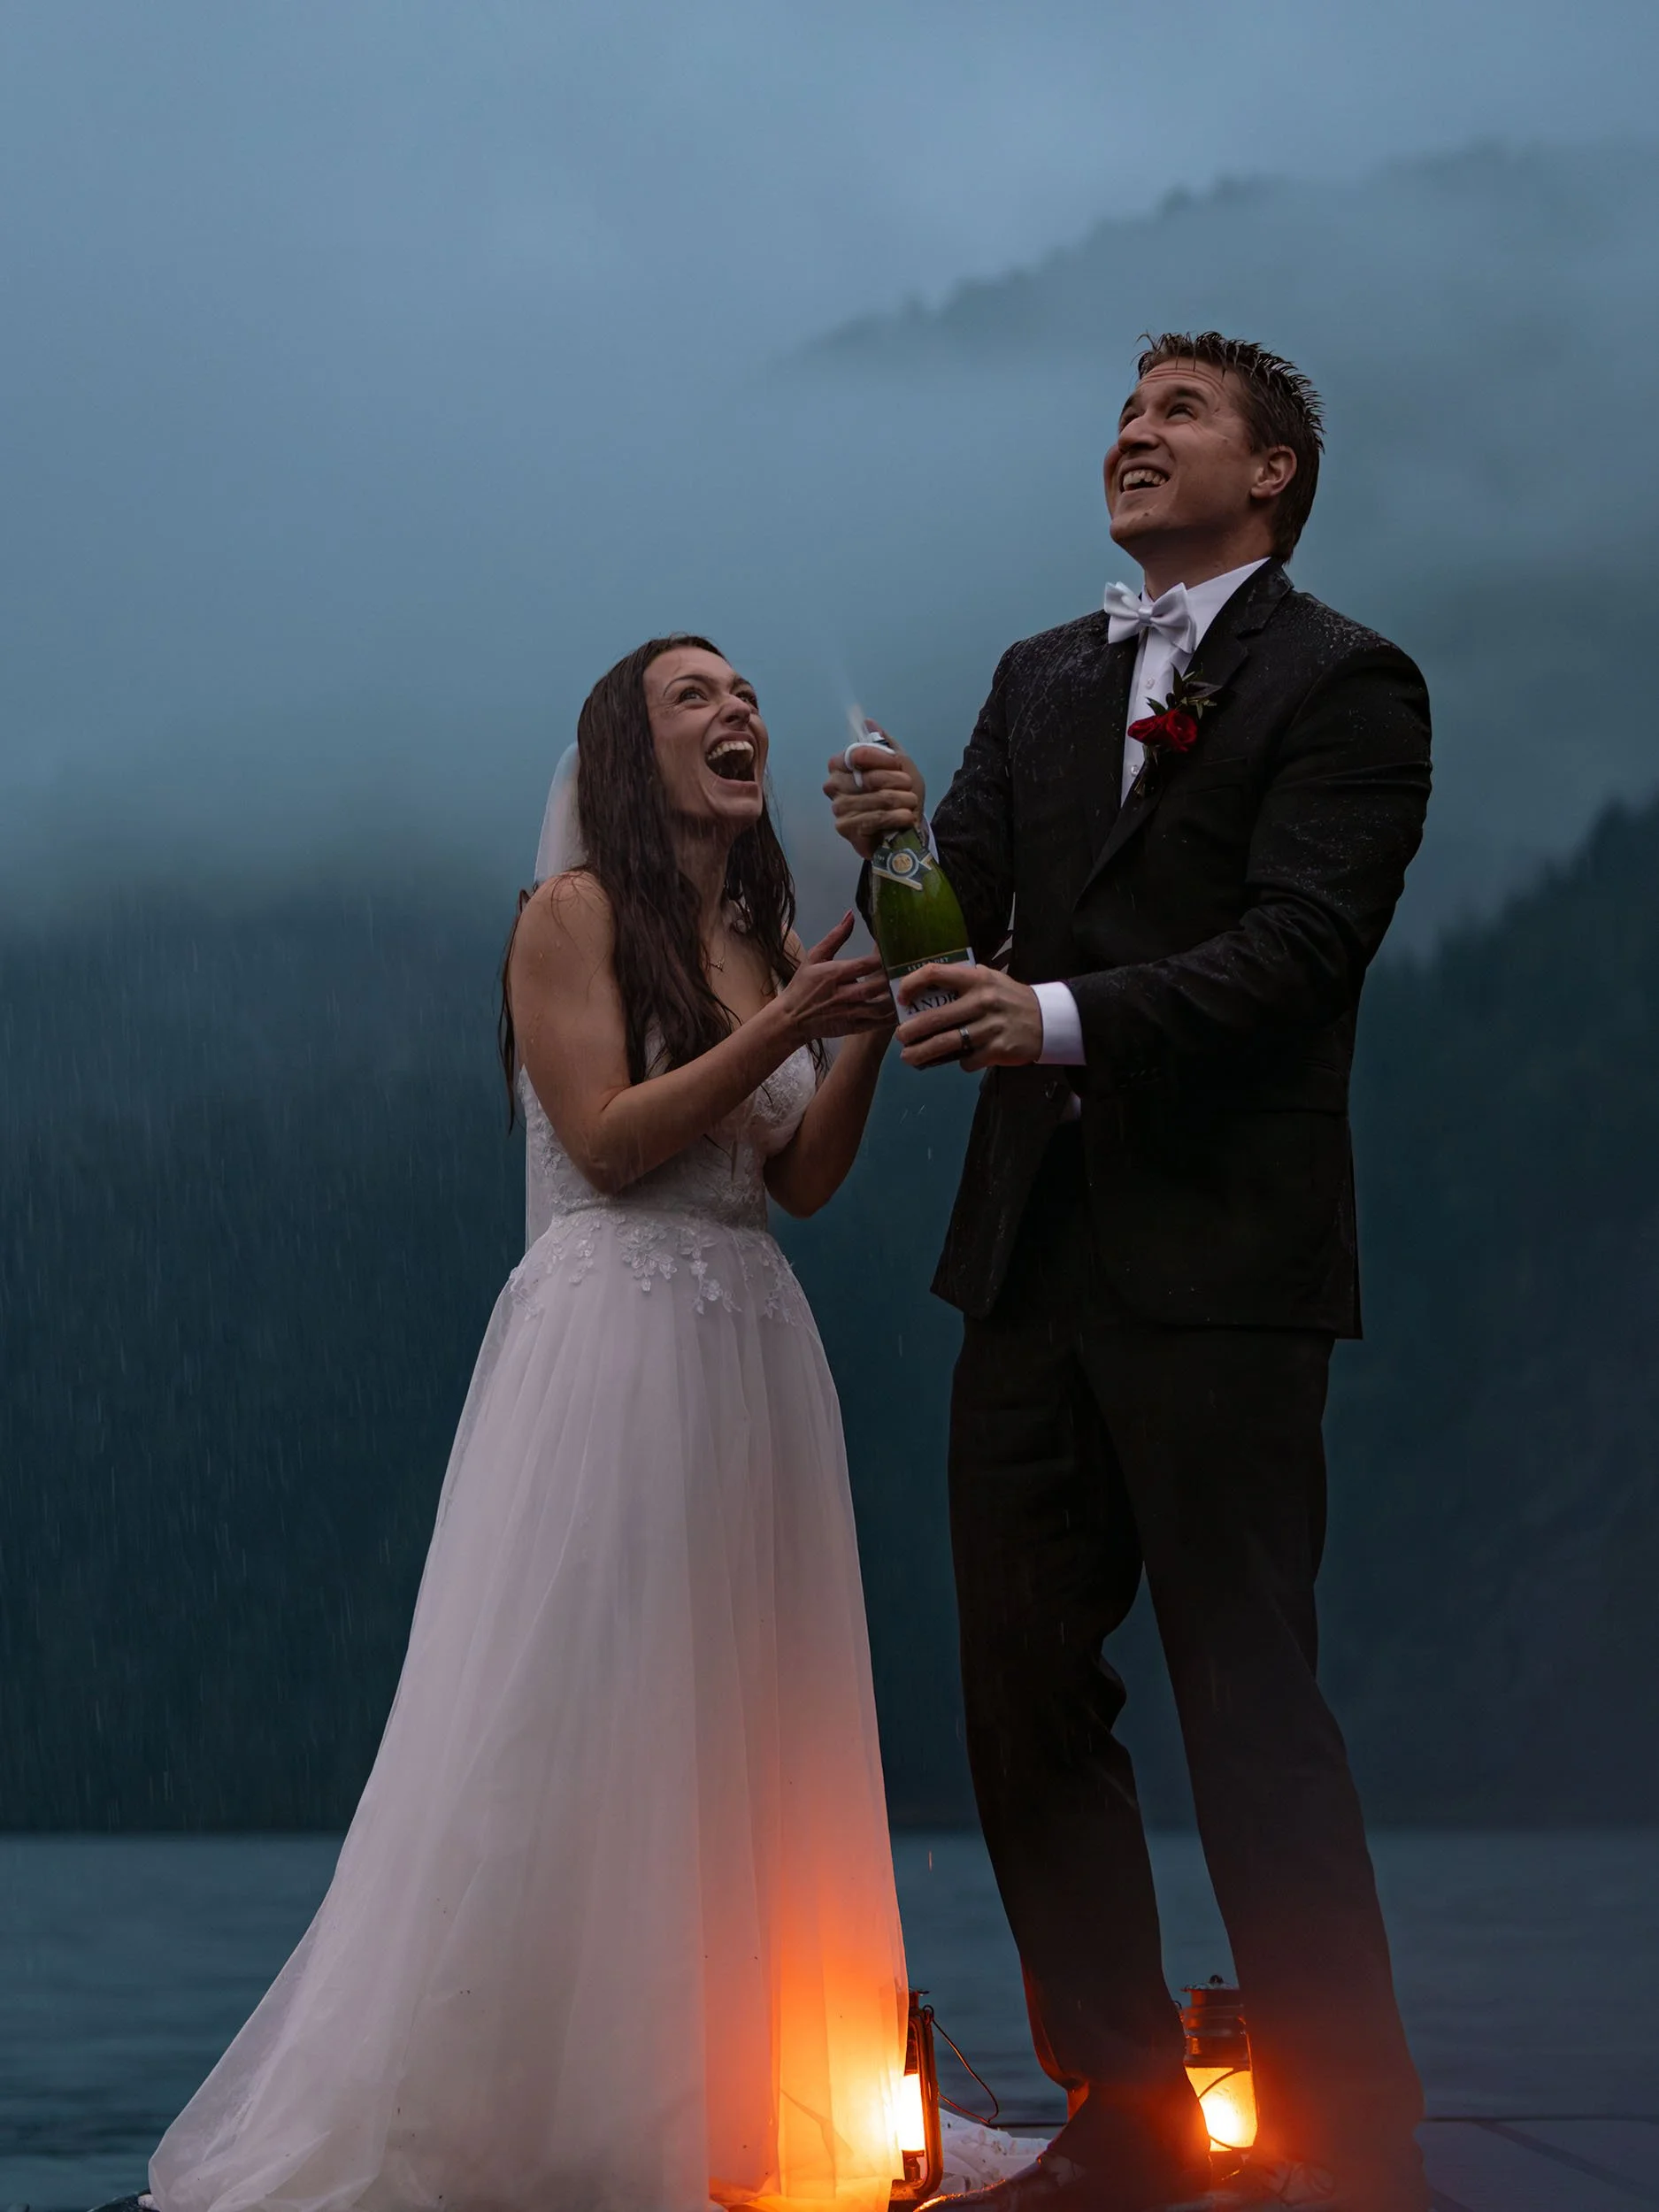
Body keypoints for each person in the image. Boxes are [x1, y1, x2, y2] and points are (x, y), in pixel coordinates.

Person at [150, 635, 910, 2212]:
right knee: (582, 1709)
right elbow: (611, 1140)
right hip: (613, 1334)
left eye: (744, 692)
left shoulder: (761, 934)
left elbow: (808, 1180)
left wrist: (869, 1027)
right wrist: (782, 1036)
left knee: (740, 1719)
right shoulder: (567, 920)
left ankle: (729, 2109)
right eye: (693, 696)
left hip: (755, 1342)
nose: (738, 712)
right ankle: (543, 2111)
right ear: (627, 754)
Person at [826, 335, 1432, 2212]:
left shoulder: (1348, 683)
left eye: (1177, 410)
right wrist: (901, 850)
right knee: (1018, 1685)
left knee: (1246, 1687)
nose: (1131, 431)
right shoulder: (1038, 672)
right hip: (1024, 1263)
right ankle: (1128, 2111)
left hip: (1225, 1266)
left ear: (1272, 474)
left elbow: (1302, 947)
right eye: (1122, 408)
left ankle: (1344, 2122)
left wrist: (1057, 1014)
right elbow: (956, 936)